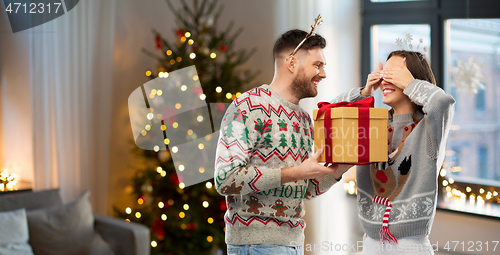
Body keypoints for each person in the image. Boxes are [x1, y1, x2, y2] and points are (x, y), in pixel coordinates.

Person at [214, 29, 353, 255]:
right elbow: (225, 179)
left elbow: (302, 190)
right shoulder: (248, 107)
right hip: (254, 246)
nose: (323, 74)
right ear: (291, 63)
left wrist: (338, 171)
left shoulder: (304, 120)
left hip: (294, 244)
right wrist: (295, 172)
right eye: (318, 65)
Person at [330, 50, 455, 254]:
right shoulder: (371, 126)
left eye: (394, 75)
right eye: (383, 75)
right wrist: (363, 92)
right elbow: (331, 114)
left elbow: (442, 102)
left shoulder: (429, 130)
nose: (385, 81)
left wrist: (409, 83)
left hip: (410, 246)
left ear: (412, 80)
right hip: (370, 243)